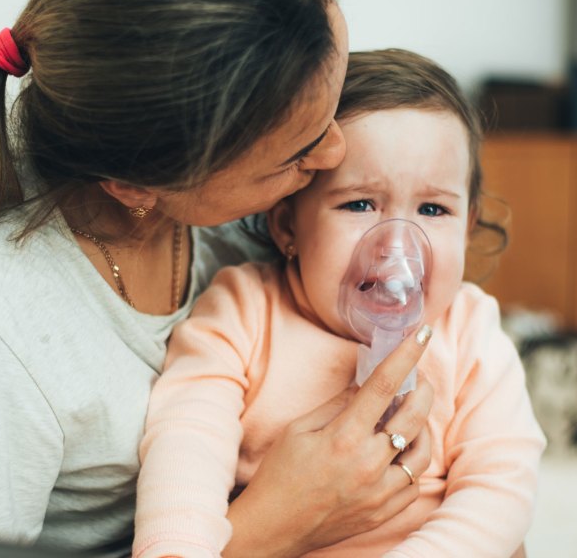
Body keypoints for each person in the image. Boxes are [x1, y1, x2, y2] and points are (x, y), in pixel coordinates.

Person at [0, 0, 437, 557]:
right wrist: (273, 527)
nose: (336, 153)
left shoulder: (252, 226)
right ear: (136, 187)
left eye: (332, 107)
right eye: (297, 151)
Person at [133, 49, 546, 558]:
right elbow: (185, 443)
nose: (397, 245)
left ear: (468, 222)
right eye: (360, 204)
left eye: (433, 209)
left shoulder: (470, 328)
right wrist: (176, 546)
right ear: (287, 224)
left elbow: (501, 486)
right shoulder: (243, 310)